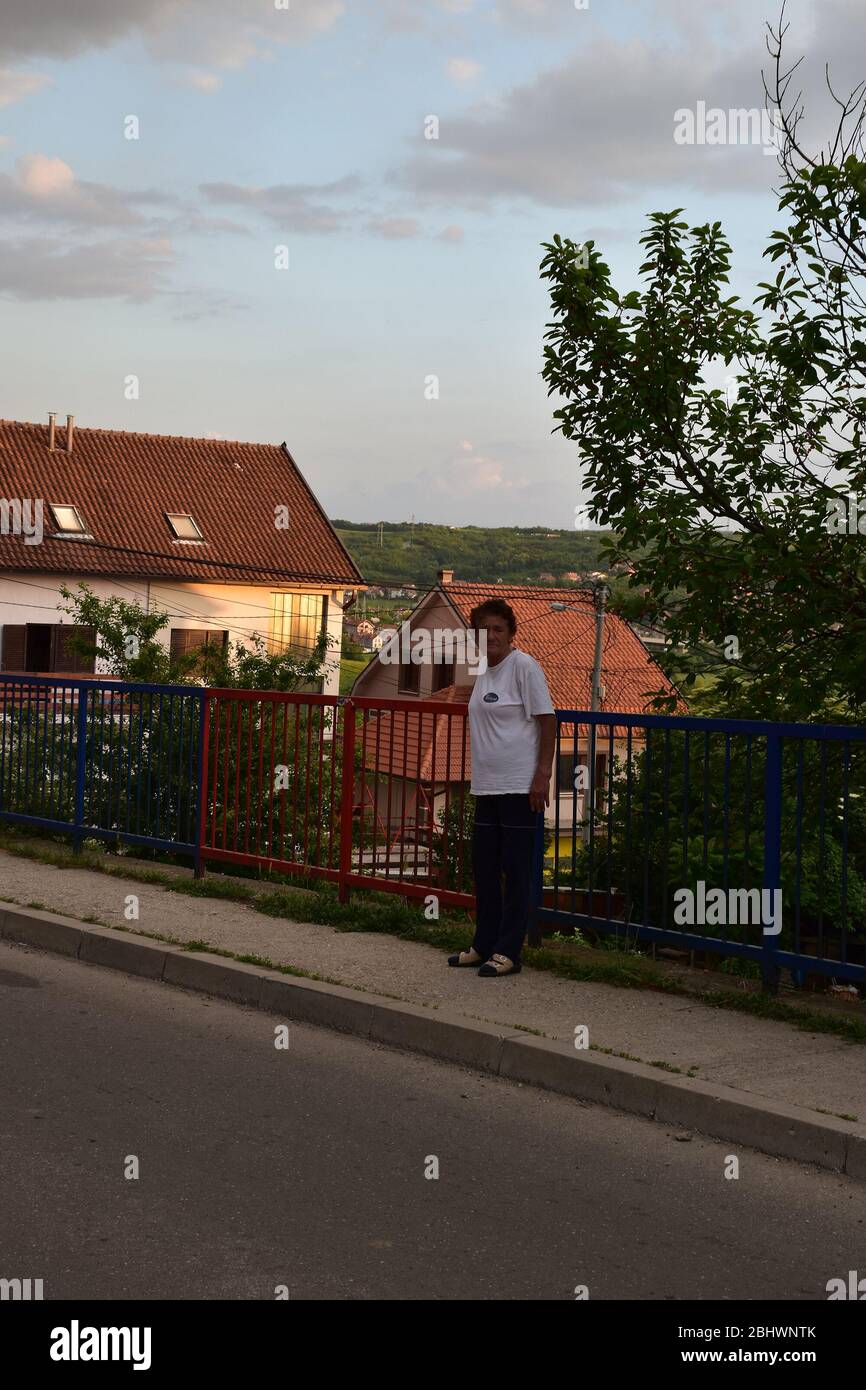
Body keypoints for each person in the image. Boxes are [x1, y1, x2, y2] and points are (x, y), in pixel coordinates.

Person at [448, 599, 556, 978]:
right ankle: (483, 945)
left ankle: (509, 951)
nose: (490, 636)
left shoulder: (524, 668)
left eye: (498, 629)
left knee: (516, 869)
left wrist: (542, 775)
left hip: (519, 787)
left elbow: (547, 721)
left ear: (511, 633)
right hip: (487, 787)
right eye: (483, 629)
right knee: (486, 868)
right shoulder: (485, 672)